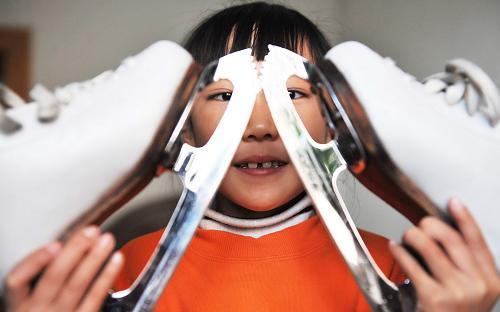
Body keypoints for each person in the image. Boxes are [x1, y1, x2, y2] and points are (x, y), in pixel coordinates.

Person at [4, 2, 499, 311]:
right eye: (224, 95)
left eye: (296, 94)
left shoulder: (409, 271)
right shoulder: (109, 272)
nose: (261, 125)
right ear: (179, 122)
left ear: (338, 118)